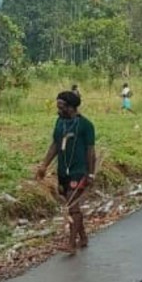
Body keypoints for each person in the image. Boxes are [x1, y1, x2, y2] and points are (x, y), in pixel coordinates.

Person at [36, 91, 96, 255]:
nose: (58, 109)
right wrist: (44, 166)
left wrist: (91, 174)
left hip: (79, 171)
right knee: (71, 204)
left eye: (61, 107)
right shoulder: (60, 123)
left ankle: (72, 243)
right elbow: (55, 145)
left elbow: (91, 152)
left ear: (71, 107)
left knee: (72, 206)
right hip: (63, 171)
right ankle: (83, 237)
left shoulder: (86, 125)